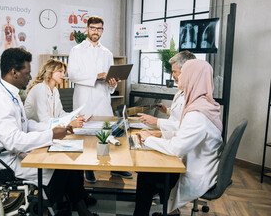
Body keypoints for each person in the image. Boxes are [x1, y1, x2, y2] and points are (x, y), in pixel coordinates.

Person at [0, 48, 113, 216]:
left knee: (69, 162)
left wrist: (58, 129)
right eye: (26, 73)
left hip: (14, 151)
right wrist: (51, 134)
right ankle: (46, 215)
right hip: (2, 160)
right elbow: (13, 140)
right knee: (60, 168)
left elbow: (27, 126)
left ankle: (81, 215)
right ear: (14, 72)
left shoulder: (11, 94)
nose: (30, 76)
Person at [119, 59, 223, 216]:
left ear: (192, 77)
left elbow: (177, 148)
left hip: (195, 173)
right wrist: (157, 135)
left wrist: (147, 139)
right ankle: (172, 214)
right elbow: (182, 133)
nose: (178, 76)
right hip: (198, 164)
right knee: (155, 168)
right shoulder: (203, 104)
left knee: (147, 173)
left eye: (182, 73)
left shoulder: (197, 113)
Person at [68, 15, 132, 183]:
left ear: (102, 30)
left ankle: (115, 167)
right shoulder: (77, 50)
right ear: (87, 29)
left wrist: (112, 82)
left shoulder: (107, 53)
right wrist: (96, 76)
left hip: (102, 99)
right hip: (84, 99)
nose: (96, 32)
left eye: (99, 29)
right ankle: (88, 168)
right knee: (86, 134)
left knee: (107, 131)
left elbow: (110, 84)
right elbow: (73, 76)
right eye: (93, 28)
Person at [138, 51, 196, 133]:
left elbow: (186, 127)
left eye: (174, 72)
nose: (172, 75)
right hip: (172, 134)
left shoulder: (195, 96)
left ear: (186, 72)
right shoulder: (181, 91)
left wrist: (157, 121)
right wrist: (166, 111)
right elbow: (179, 114)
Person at [24, 58, 84, 128]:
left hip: (48, 131)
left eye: (64, 72)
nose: (63, 75)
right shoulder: (39, 89)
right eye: (60, 71)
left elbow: (60, 113)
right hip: (34, 132)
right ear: (50, 71)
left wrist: (75, 117)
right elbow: (44, 121)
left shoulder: (55, 90)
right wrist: (69, 123)